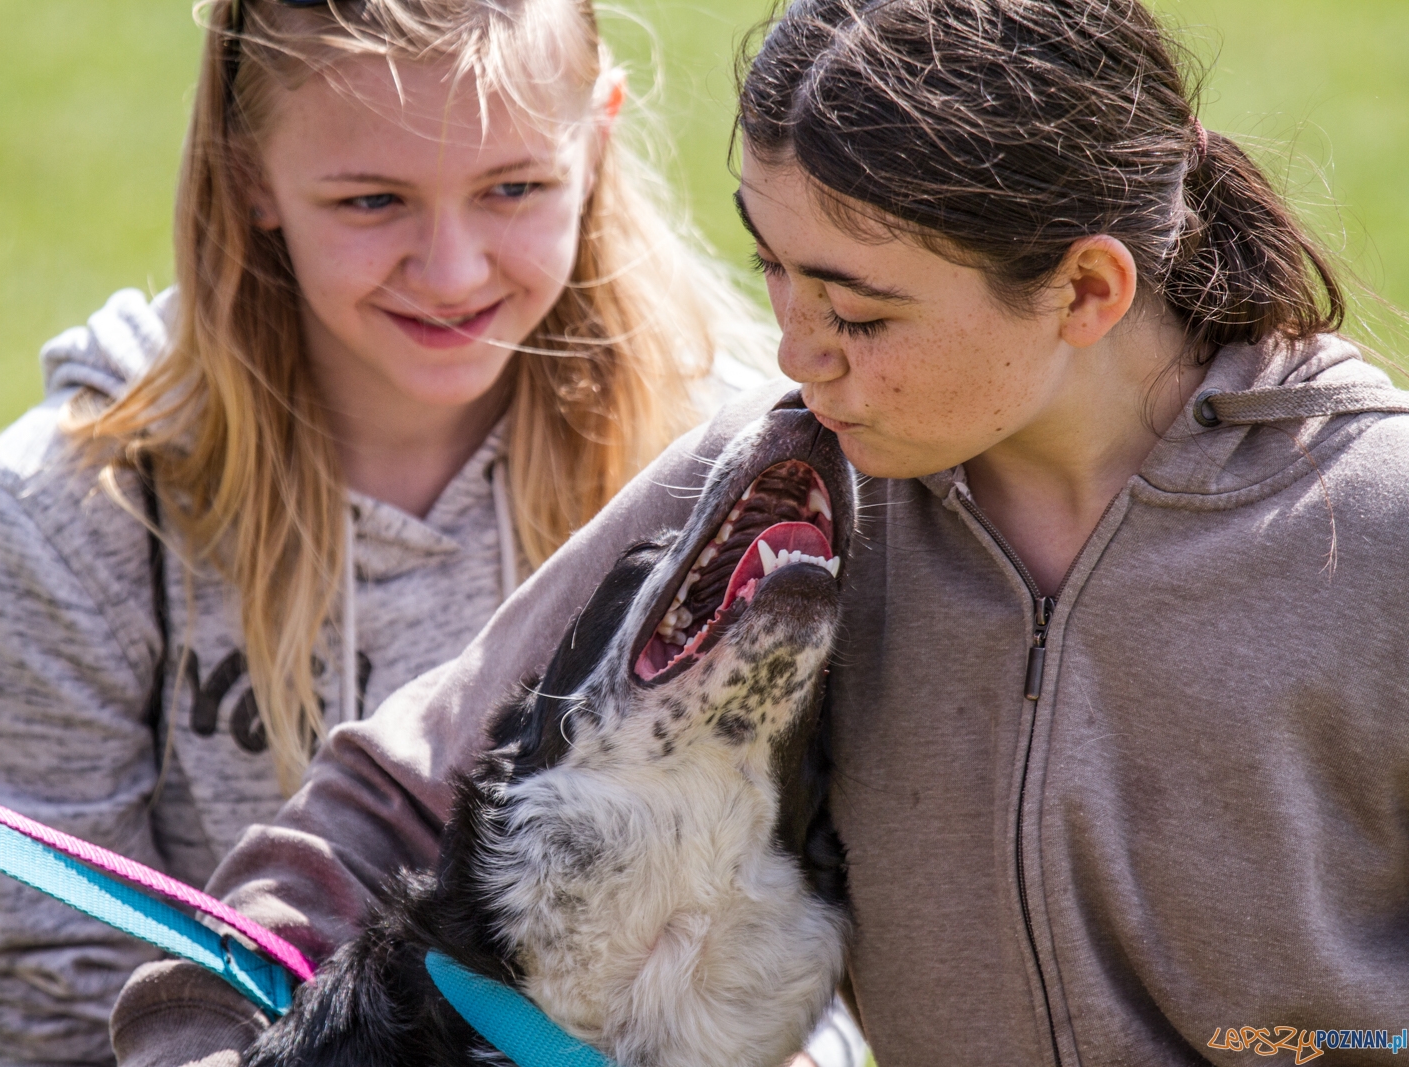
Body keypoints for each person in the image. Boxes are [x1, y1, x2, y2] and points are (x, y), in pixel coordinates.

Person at [107, 0, 1409, 1064]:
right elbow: (403, 795)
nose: (793, 351)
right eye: (773, 267)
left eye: (861, 310)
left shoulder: (1376, 531)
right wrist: (203, 1038)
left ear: (1083, 286)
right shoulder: (792, 482)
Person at [0, 0, 866, 1063]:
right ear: (248, 178)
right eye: (372, 199)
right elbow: (41, 979)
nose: (454, 268)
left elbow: (822, 894)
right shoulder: (67, 513)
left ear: (596, 136)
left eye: (513, 188)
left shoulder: (741, 474)